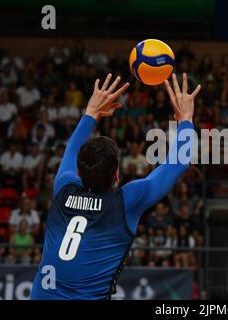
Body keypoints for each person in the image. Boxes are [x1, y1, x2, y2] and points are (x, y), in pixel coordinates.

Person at [30, 73, 201, 300]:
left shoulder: (63, 187)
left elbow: (71, 151)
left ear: (78, 172)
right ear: (117, 175)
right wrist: (186, 119)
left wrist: (91, 113)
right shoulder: (127, 201)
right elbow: (179, 163)